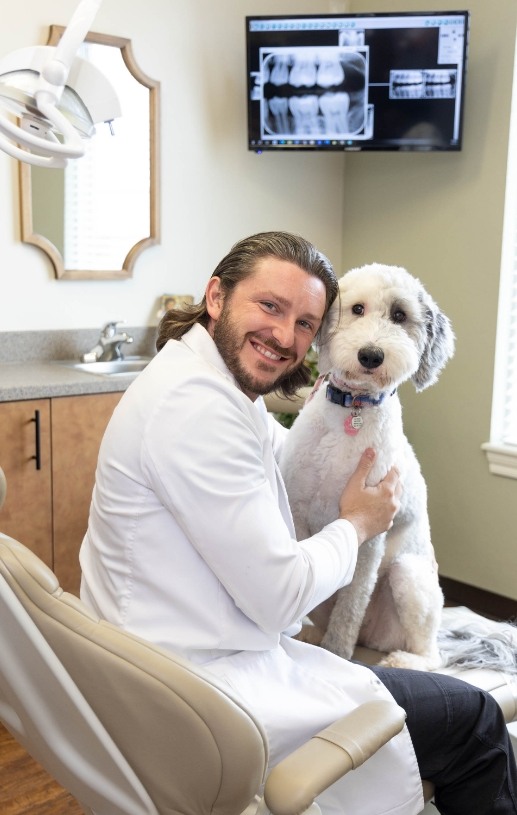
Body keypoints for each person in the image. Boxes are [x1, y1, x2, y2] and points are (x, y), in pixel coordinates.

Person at [80, 231, 517, 815]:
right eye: (270, 306)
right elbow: (281, 595)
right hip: (212, 689)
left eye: (307, 322)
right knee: (477, 718)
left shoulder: (204, 380)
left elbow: (266, 451)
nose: (287, 337)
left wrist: (325, 426)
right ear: (217, 296)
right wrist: (358, 524)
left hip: (175, 660)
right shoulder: (198, 411)